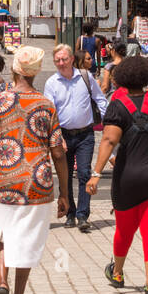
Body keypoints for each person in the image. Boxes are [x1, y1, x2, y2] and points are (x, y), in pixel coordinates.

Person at [0, 46, 69, 294]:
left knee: (2, 234)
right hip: (37, 183)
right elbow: (59, 153)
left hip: (5, 179)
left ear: (14, 69)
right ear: (37, 72)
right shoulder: (46, 105)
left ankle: (1, 281)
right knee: (27, 240)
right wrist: (64, 193)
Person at [87, 54, 148, 294]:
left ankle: (117, 272)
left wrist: (96, 174)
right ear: (147, 76)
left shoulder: (118, 106)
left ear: (122, 79)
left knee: (124, 230)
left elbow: (109, 140)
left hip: (128, 176)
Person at [44, 44, 108, 233]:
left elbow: (101, 100)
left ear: (72, 59)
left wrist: (109, 124)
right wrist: (56, 136)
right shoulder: (52, 83)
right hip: (62, 135)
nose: (61, 63)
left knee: (84, 173)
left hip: (85, 134)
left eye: (64, 59)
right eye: (57, 60)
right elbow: (50, 112)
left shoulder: (86, 77)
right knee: (65, 177)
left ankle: (82, 215)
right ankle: (70, 212)